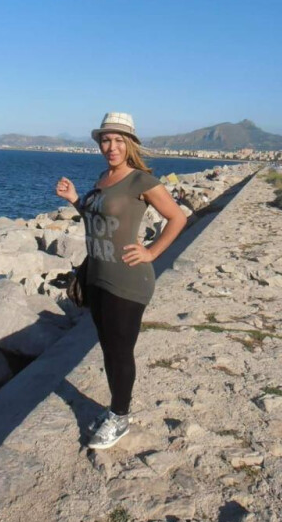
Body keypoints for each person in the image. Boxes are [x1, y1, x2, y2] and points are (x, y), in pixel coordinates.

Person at [55, 112, 187, 450]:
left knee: (119, 351)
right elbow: (97, 218)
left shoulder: (141, 181)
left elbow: (177, 217)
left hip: (127, 280)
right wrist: (75, 200)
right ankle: (115, 408)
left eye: (118, 140)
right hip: (97, 275)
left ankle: (120, 416)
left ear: (129, 144)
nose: (111, 147)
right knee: (108, 347)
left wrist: (151, 252)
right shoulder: (104, 178)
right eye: (105, 140)